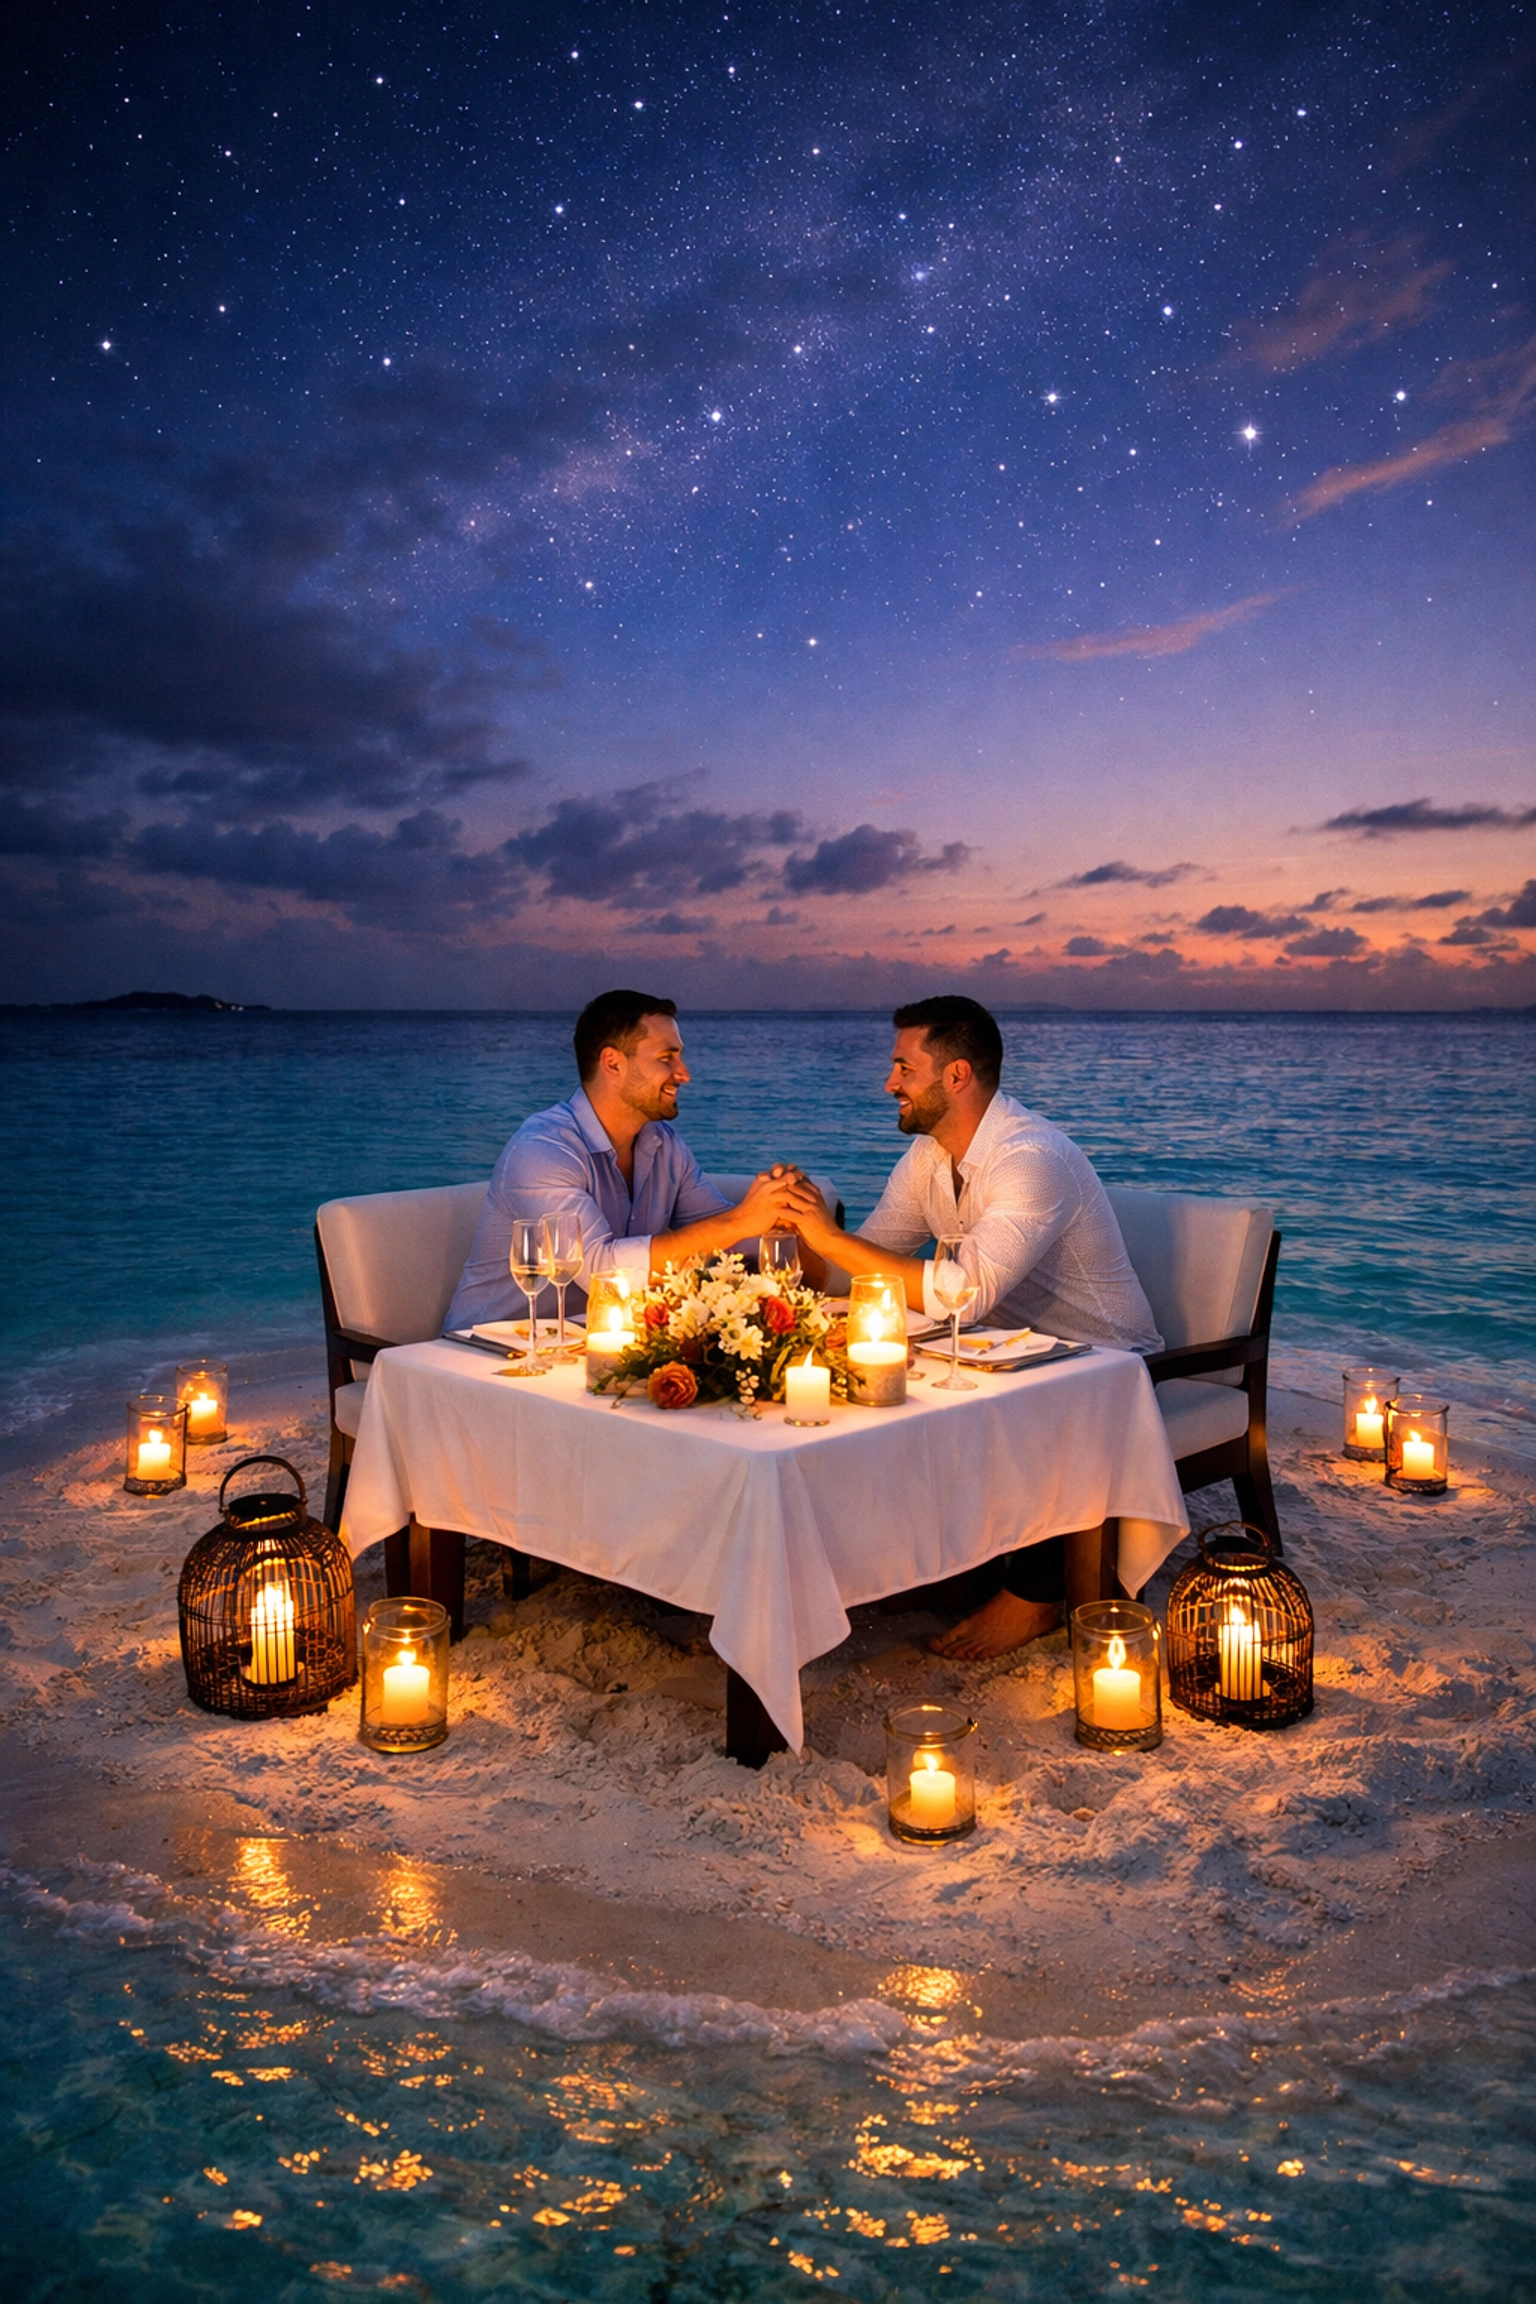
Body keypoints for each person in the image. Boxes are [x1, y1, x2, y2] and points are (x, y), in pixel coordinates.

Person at [782, 994, 1161, 1662]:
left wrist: (832, 1242)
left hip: (1105, 1365)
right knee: (865, 1382)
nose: (888, 1082)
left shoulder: (1031, 1158)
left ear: (955, 1076)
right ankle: (932, 1561)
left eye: (903, 1066)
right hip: (995, 1353)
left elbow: (967, 1292)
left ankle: (1036, 1595)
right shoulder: (930, 1159)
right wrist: (802, 1227)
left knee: (973, 1392)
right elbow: (863, 1263)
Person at [444, 989, 802, 1331]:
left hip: (594, 1351)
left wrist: (786, 1216)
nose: (684, 1073)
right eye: (667, 1058)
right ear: (613, 1063)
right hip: (487, 1356)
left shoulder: (664, 1146)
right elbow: (600, 1270)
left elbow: (726, 1236)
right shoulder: (542, 1149)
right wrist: (741, 1221)